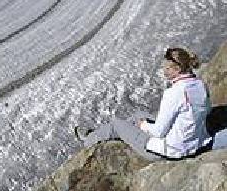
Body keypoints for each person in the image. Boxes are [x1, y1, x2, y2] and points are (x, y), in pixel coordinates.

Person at [81, 47, 212, 159]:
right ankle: (105, 133)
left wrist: (143, 125)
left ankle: (88, 140)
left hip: (173, 151)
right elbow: (206, 111)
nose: (164, 72)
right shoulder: (200, 85)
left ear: (177, 69)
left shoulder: (174, 93)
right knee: (138, 114)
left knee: (116, 124)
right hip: (196, 142)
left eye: (167, 68)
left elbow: (158, 133)